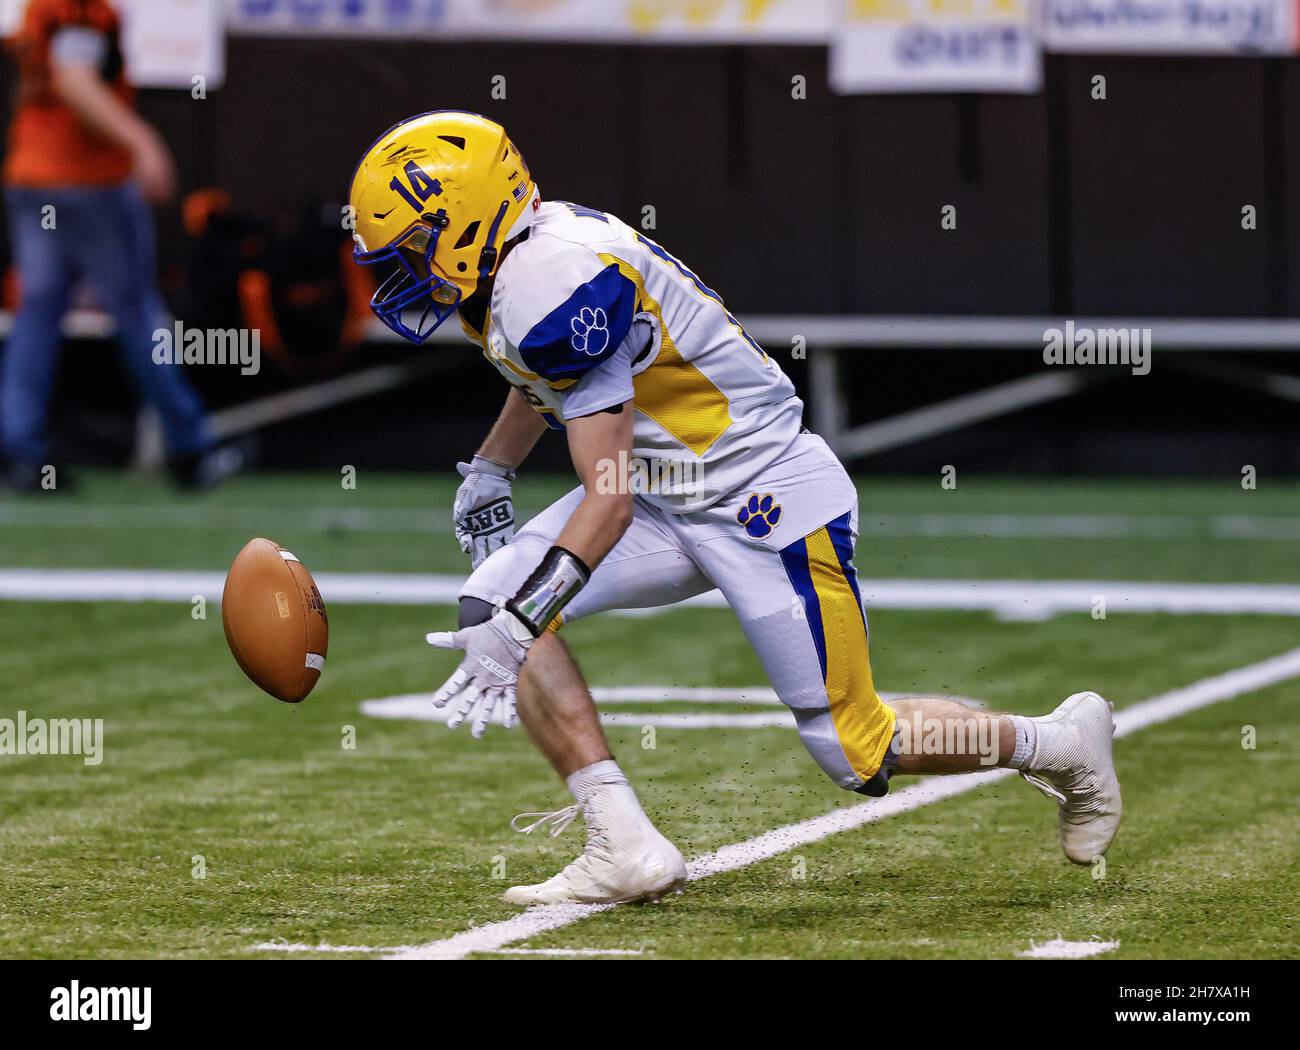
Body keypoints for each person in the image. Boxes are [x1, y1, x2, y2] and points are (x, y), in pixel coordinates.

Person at [349, 111, 1122, 906]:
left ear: (468, 219)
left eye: (413, 244)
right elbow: (548, 383)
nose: (403, 271)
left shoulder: (552, 279)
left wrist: (524, 621)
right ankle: (624, 846)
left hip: (763, 495)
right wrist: (492, 468)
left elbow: (604, 502)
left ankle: (1057, 742)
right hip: (665, 492)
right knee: (491, 602)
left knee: (856, 749)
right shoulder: (523, 263)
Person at [1, 0, 234, 490]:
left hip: (33, 173)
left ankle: (19, 449)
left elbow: (39, 81)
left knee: (37, 316)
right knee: (136, 311)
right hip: (87, 182)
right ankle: (188, 444)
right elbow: (74, 79)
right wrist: (142, 141)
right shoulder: (78, 7)